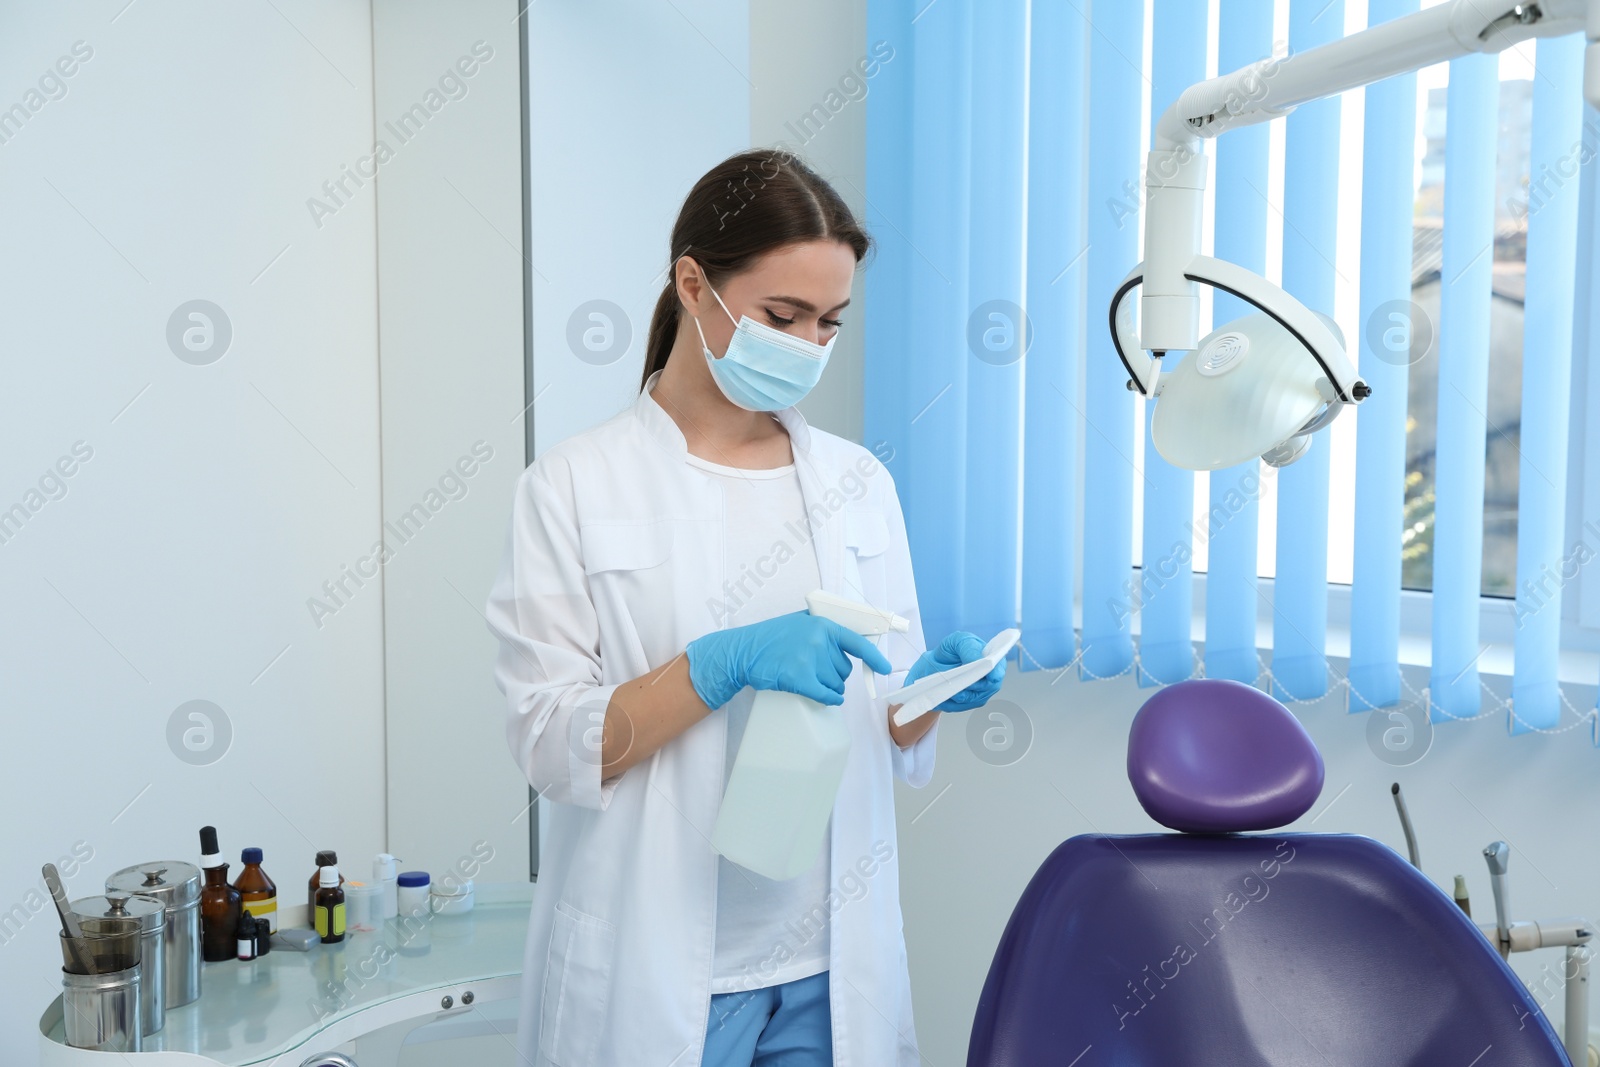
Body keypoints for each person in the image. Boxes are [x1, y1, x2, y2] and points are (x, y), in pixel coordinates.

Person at [485, 148, 1005, 1067]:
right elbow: (549, 739)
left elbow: (884, 722)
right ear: (694, 283)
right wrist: (712, 667)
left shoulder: (857, 482)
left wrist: (929, 691)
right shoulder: (573, 484)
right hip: (661, 975)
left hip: (827, 972)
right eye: (783, 315)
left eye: (828, 323)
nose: (807, 346)